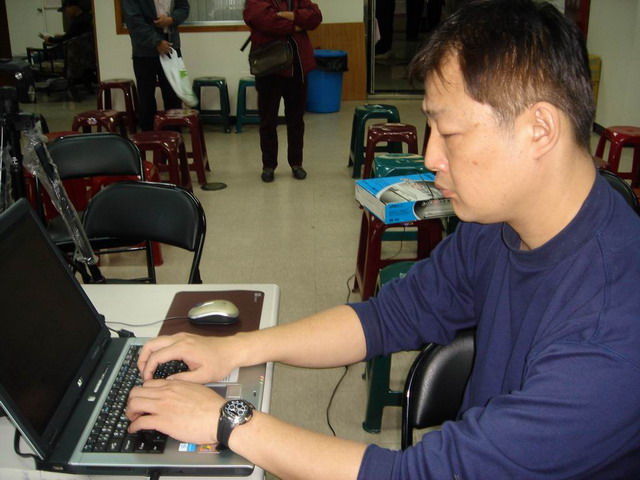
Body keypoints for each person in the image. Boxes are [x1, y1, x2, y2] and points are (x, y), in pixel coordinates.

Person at [126, 0, 640, 478]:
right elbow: (387, 317)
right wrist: (236, 349)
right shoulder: (500, 224)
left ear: (539, 129)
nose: (432, 158)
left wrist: (229, 422)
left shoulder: (613, 332)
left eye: (450, 133)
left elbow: (420, 474)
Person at [243, 0, 322, 183]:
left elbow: (316, 16)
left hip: (298, 66)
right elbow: (264, 20)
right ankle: (268, 165)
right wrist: (297, 25)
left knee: (296, 120)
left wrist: (292, 15)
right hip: (268, 68)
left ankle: (296, 163)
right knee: (268, 120)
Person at [121, 0, 190, 131]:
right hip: (144, 51)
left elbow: (184, 8)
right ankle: (148, 137)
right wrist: (157, 42)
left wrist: (171, 19)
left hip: (171, 46)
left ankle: (174, 137)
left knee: (173, 97)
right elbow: (134, 22)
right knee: (146, 98)